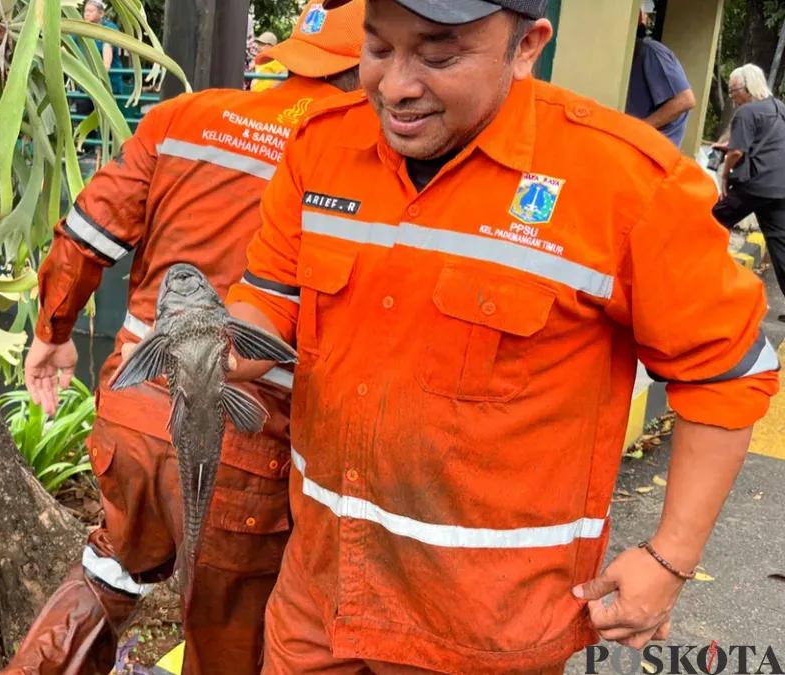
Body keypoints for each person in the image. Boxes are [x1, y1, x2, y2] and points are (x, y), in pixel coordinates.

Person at [221, 0, 780, 672]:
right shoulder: (322, 147)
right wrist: (218, 344)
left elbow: (727, 372)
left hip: (485, 629)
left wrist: (670, 557)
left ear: (526, 47)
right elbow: (269, 297)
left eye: (438, 54)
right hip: (318, 602)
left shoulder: (623, 182)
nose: (396, 85)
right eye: (378, 48)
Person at [0, 3, 367, 675]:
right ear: (366, 74)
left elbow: (86, 234)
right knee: (226, 636)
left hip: (135, 412)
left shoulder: (185, 117)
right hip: (244, 440)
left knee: (111, 569)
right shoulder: (359, 161)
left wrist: (53, 332)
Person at [713, 64, 785, 319]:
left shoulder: (747, 112)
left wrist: (724, 174)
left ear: (747, 88)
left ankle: (701, 279)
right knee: (780, 245)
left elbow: (736, 152)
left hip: (754, 185)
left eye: (733, 92)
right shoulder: (779, 108)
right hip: (779, 186)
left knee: (712, 220)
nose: (732, 97)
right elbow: (764, 142)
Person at [624, 1, 695, 148]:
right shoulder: (632, 56)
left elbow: (685, 100)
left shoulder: (650, 51)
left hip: (653, 150)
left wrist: (638, 130)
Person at [80, 0, 124, 97]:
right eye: (85, 11)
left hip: (109, 84)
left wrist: (105, 67)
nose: (87, 14)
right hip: (85, 84)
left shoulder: (109, 28)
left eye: (91, 11)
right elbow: (66, 46)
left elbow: (107, 46)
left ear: (101, 14)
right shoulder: (80, 29)